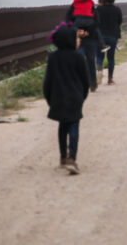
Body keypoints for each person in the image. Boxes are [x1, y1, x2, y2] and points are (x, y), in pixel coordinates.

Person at [43, 23, 90, 175]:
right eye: (76, 38)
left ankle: (63, 157)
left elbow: (47, 82)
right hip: (75, 97)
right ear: (69, 40)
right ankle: (72, 158)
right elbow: (85, 81)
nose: (79, 40)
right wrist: (82, 97)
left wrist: (50, 99)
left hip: (58, 97)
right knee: (74, 127)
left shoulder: (53, 58)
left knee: (62, 127)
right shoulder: (79, 57)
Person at [95, 0, 123, 85]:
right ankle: (110, 79)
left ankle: (99, 72)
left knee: (99, 57)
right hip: (112, 36)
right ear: (114, 0)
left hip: (101, 37)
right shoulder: (117, 9)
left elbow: (95, 22)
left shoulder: (99, 9)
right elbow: (120, 21)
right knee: (111, 58)